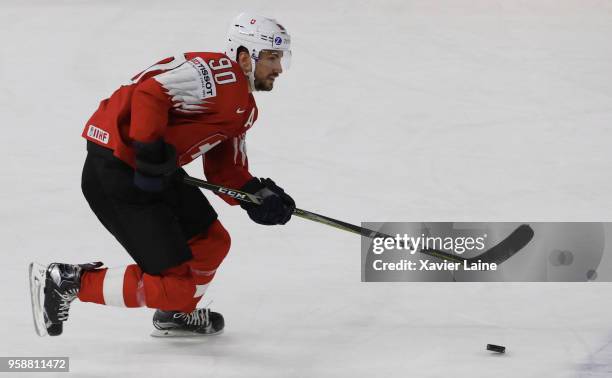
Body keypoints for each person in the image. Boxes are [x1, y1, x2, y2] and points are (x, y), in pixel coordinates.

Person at [28, 12, 295, 338]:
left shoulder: (243, 107)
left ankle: (175, 314)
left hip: (152, 171)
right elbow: (149, 94)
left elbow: (224, 170)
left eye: (280, 59)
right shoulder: (218, 73)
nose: (279, 69)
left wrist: (256, 195)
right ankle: (68, 282)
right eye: (271, 57)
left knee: (211, 242)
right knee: (178, 287)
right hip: (116, 170)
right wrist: (149, 150)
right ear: (244, 57)